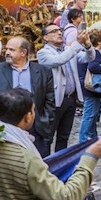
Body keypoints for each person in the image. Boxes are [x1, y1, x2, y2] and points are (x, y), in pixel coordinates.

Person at [0, 36, 54, 149]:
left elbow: (50, 100)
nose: (7, 52)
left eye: (11, 50)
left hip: (36, 128)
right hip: (5, 128)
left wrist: (45, 121)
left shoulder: (43, 71)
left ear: (23, 52)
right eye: (7, 49)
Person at [35, 23, 83, 153]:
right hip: (54, 101)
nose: (59, 33)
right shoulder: (43, 53)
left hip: (70, 99)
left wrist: (89, 46)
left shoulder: (67, 50)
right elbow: (59, 60)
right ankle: (46, 166)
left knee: (64, 136)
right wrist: (76, 45)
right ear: (45, 37)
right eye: (54, 31)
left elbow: (87, 58)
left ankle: (60, 165)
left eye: (60, 30)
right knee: (47, 137)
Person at [77, 27, 101, 146]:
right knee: (90, 114)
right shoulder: (95, 53)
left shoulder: (90, 52)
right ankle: (83, 139)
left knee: (92, 113)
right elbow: (93, 67)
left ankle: (91, 137)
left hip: (88, 88)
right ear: (100, 41)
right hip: (91, 88)